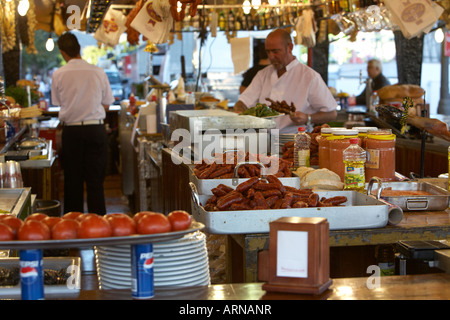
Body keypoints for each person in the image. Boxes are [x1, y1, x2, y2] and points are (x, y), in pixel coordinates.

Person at [51, 32, 115, 215]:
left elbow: (57, 103)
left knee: (73, 183)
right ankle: (99, 227)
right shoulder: (98, 71)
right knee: (96, 183)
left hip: (71, 133)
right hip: (95, 129)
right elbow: (107, 103)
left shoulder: (58, 74)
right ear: (79, 49)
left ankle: (74, 228)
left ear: (63, 53)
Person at [234, 29, 337, 134]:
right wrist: (240, 112)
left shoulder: (309, 76)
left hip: (296, 140)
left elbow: (332, 114)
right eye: (268, 51)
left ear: (290, 47)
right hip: (264, 140)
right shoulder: (263, 74)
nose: (271, 56)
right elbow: (243, 102)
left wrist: (307, 118)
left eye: (275, 51)